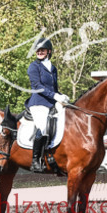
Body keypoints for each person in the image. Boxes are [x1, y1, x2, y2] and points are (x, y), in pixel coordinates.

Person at [27, 37, 68, 173]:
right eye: (38, 50)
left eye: (42, 50)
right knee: (43, 127)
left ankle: (56, 156)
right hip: (38, 103)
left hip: (51, 102)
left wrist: (61, 96)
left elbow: (54, 89)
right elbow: (37, 86)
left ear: (49, 51)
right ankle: (35, 160)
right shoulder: (34, 66)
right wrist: (55, 96)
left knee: (67, 119)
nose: (39, 52)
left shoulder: (53, 68)